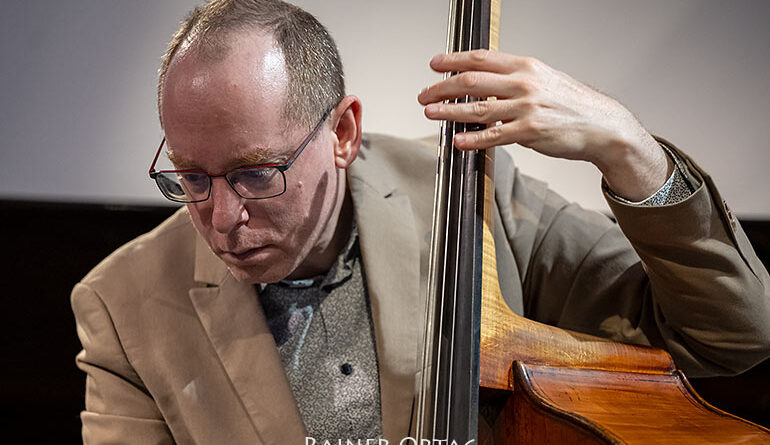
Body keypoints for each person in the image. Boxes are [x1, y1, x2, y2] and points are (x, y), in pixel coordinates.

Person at [71, 0, 770, 444]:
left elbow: (734, 336)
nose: (221, 217)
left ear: (343, 130)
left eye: (257, 173)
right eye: (191, 178)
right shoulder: (122, 304)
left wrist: (626, 146)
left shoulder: (470, 200)